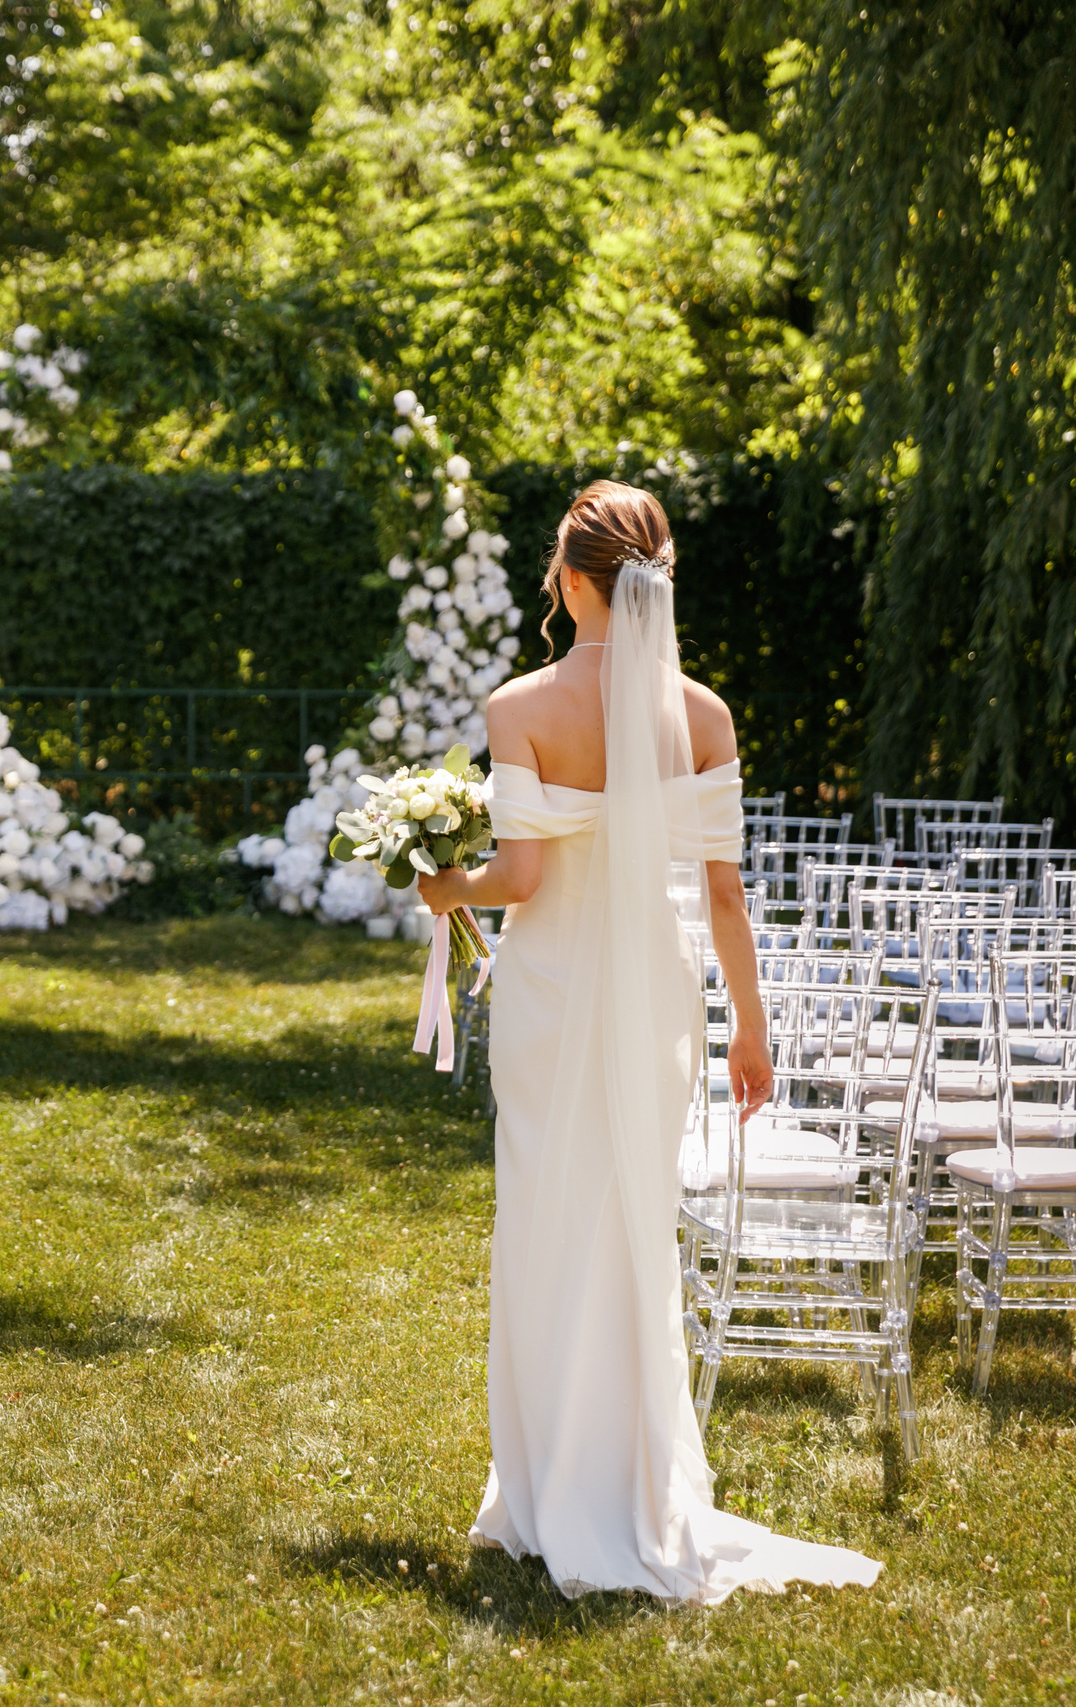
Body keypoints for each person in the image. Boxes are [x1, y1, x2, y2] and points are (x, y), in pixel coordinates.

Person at [416, 480, 881, 1603]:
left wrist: (443, 886)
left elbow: (520, 877)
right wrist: (749, 1029)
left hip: (550, 988)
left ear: (568, 579)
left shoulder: (516, 704)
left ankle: (543, 1494)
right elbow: (726, 899)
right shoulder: (704, 714)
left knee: (543, 1218)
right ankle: (628, 1487)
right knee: (633, 1222)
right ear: (652, 580)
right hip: (655, 1000)